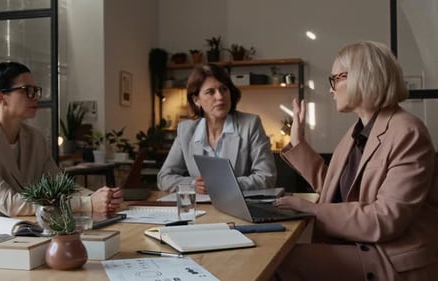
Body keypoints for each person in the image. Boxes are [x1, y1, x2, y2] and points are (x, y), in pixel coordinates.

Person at [275, 41, 438, 280]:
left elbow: (386, 218)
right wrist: (298, 142)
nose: (331, 89)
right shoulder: (357, 131)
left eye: (335, 79)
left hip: (390, 257)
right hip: (358, 245)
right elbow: (334, 190)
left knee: (283, 262)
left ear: (362, 76)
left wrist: (313, 211)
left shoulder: (407, 131)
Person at [0, 61, 123, 230]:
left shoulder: (35, 138)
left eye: (36, 90)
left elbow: (61, 185)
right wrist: (87, 203)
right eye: (27, 90)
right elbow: (10, 203)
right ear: (1, 97)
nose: (36, 97)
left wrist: (102, 197)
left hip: (8, 234)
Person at [157, 64, 276, 193]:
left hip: (238, 208)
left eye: (224, 89)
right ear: (197, 100)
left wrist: (223, 184)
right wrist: (193, 185)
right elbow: (164, 178)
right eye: (210, 92)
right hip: (200, 209)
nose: (220, 97)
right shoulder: (185, 130)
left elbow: (266, 177)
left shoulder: (250, 124)